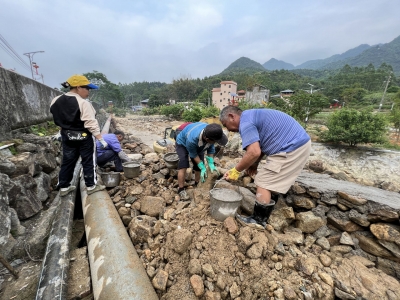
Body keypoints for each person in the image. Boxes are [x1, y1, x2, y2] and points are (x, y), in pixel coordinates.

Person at [220, 106, 311, 229]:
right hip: (296, 143)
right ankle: (268, 209)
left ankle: (258, 220)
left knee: (263, 181)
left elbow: (253, 152)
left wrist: (236, 170)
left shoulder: (245, 123)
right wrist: (254, 164)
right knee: (269, 178)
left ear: (232, 116)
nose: (228, 130)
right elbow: (261, 146)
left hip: (291, 147)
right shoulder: (250, 116)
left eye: (226, 125)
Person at [50, 74, 108, 196]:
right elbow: (90, 123)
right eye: (87, 88)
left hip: (67, 136)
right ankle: (91, 185)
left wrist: (60, 132)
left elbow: (59, 118)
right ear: (78, 87)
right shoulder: (83, 103)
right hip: (84, 137)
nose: (88, 91)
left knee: (68, 160)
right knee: (88, 160)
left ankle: (64, 187)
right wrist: (100, 138)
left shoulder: (56, 101)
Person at [175, 123, 228, 200]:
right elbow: (193, 154)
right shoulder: (192, 139)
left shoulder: (211, 131)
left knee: (198, 166)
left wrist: (210, 162)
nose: (215, 143)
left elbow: (211, 147)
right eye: (215, 141)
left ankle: (197, 183)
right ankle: (181, 189)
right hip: (182, 143)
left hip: (199, 143)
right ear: (207, 139)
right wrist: (202, 165)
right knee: (183, 164)